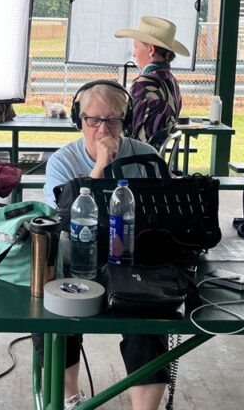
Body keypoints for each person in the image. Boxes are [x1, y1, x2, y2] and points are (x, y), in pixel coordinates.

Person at [41, 80, 169, 410]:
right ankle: (69, 396)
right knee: (53, 312)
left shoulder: (147, 157)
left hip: (133, 260)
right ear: (78, 120)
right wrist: (100, 168)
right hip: (76, 260)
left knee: (150, 317)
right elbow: (64, 219)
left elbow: (164, 219)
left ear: (125, 121)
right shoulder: (62, 162)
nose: (103, 128)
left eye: (112, 120)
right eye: (93, 120)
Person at [114, 16, 189, 147]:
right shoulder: (172, 82)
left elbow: (130, 133)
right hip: (154, 160)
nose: (134, 54)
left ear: (151, 49)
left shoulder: (144, 84)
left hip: (138, 160)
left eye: (136, 47)